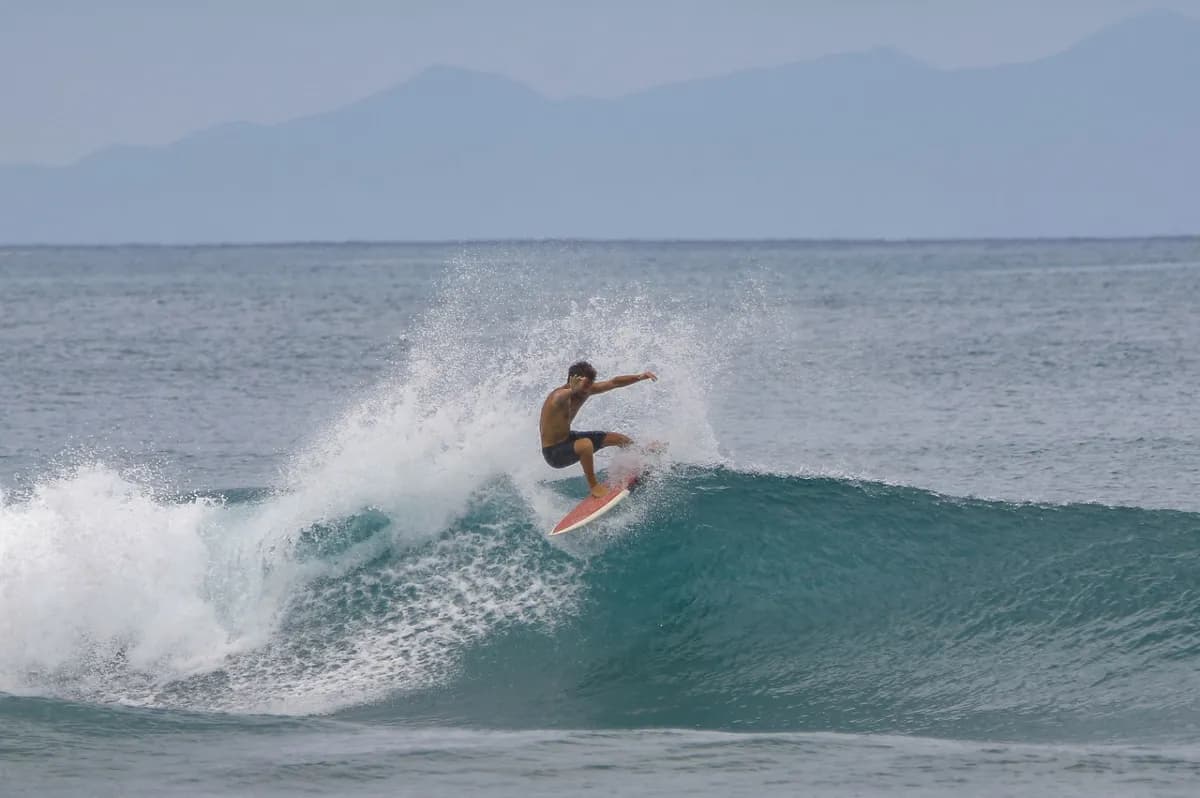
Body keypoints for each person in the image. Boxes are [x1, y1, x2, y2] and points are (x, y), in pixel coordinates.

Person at [540, 360, 657, 498]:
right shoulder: (558, 396)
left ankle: (641, 456)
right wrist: (572, 390)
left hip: (567, 438)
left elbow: (614, 383)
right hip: (554, 453)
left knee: (619, 439)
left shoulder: (586, 389)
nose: (587, 391)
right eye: (584, 386)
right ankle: (594, 487)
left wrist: (639, 377)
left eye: (589, 385)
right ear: (572, 381)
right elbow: (559, 397)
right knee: (585, 445)